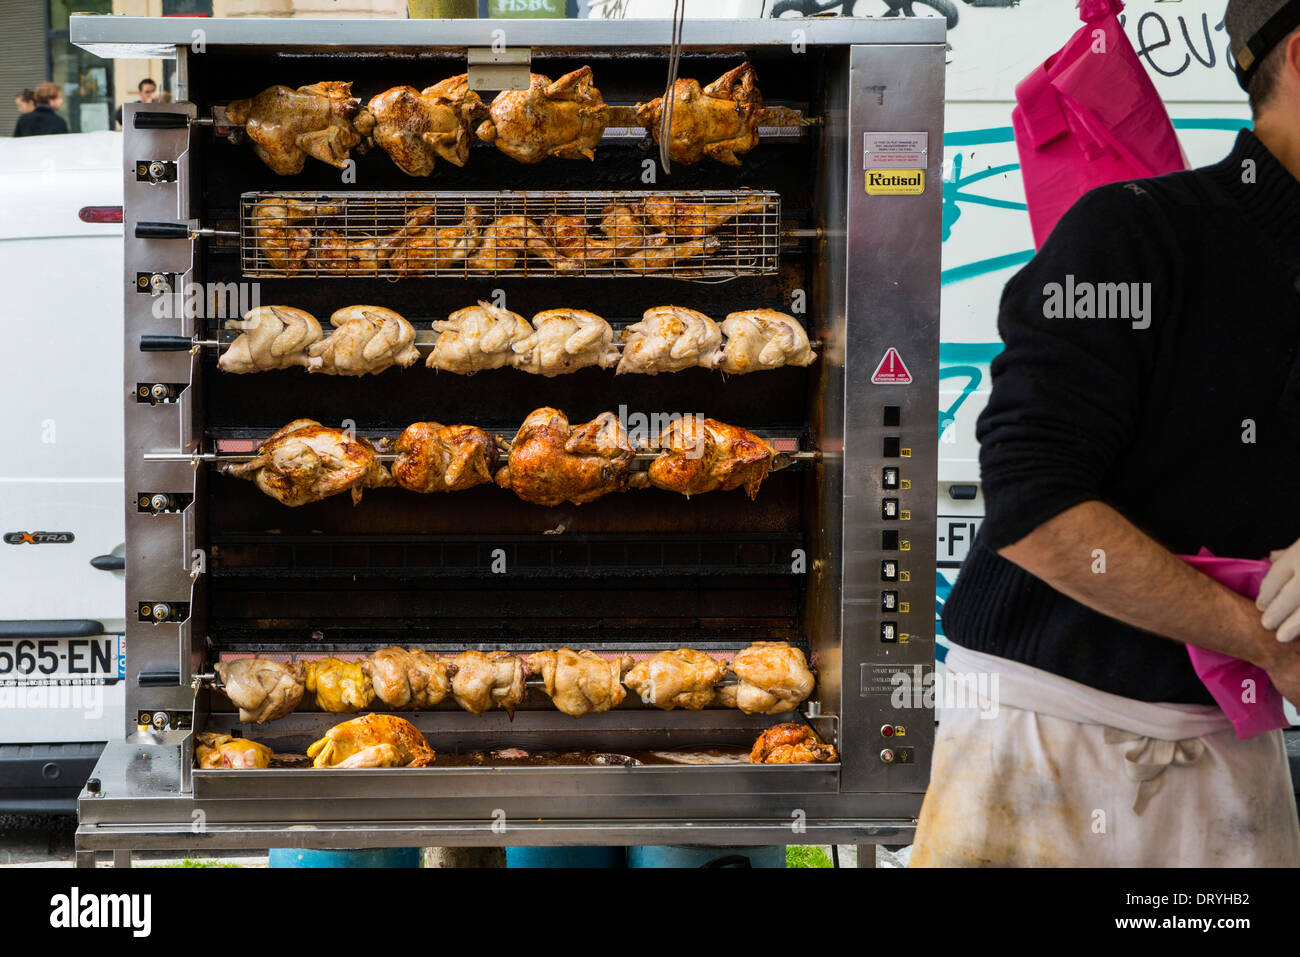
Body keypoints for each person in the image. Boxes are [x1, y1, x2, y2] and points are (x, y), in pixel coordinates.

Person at [912, 0, 1300, 867]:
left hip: (1234, 756)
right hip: (1042, 743)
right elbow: (1034, 509)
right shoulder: (1133, 235)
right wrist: (1263, 640)